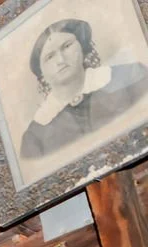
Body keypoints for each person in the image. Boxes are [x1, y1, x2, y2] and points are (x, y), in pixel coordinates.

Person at [20, 18, 148, 159]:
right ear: (41, 72)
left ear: (82, 46)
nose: (61, 60)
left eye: (67, 46)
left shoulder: (131, 76)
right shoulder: (35, 137)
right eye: (50, 57)